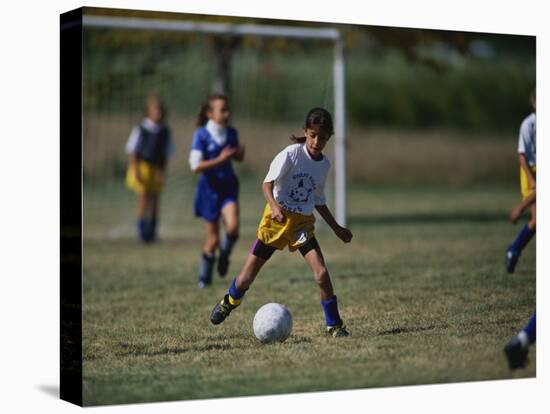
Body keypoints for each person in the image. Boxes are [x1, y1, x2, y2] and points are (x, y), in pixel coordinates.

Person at [209, 107, 353, 338]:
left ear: (329, 138)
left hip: (301, 226)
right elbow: (267, 185)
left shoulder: (324, 165)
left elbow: (317, 199)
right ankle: (230, 301)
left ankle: (334, 325)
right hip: (276, 221)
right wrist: (275, 208)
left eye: (323, 137)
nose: (317, 141)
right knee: (246, 277)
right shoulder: (291, 154)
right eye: (313, 135)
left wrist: (337, 228)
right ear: (305, 132)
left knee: (322, 275)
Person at [189, 94, 245, 288]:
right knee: (212, 239)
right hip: (209, 190)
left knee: (233, 228)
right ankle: (204, 279)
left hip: (228, 187)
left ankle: (225, 255)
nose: (227, 113)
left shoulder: (231, 133)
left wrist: (239, 155)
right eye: (222, 110)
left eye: (227, 109)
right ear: (209, 113)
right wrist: (221, 159)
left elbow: (236, 158)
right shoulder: (201, 135)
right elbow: (195, 166)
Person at [125, 94, 174, 243]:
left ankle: (152, 233)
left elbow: (166, 154)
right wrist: (136, 170)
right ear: (148, 111)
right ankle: (142, 233)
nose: (157, 113)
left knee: (155, 200)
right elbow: (133, 151)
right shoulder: (141, 129)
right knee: (143, 199)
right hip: (142, 168)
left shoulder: (165, 131)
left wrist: (162, 172)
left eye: (160, 109)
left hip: (156, 169)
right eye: (154, 109)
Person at [505, 89, 536, 273]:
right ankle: (514, 249)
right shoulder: (528, 124)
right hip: (530, 172)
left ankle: (514, 249)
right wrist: (531, 179)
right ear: (533, 103)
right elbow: (522, 156)